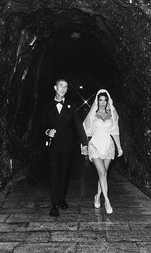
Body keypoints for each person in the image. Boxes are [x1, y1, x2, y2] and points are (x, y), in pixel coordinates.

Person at [44, 78, 88, 217]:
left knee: (64, 173)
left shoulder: (72, 105)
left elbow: (78, 125)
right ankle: (54, 204)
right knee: (54, 174)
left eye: (66, 87)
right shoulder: (47, 105)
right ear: (55, 87)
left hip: (67, 145)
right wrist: (47, 131)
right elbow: (41, 125)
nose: (63, 89)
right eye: (61, 86)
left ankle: (62, 199)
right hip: (53, 146)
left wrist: (84, 143)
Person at [83, 89, 123, 214]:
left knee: (103, 174)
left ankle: (97, 196)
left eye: (105, 100)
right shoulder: (92, 114)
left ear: (108, 101)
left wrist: (119, 147)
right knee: (102, 172)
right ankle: (106, 200)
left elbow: (115, 131)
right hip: (94, 145)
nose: (102, 102)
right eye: (100, 100)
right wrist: (83, 146)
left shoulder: (112, 113)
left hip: (108, 145)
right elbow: (85, 129)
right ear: (97, 100)